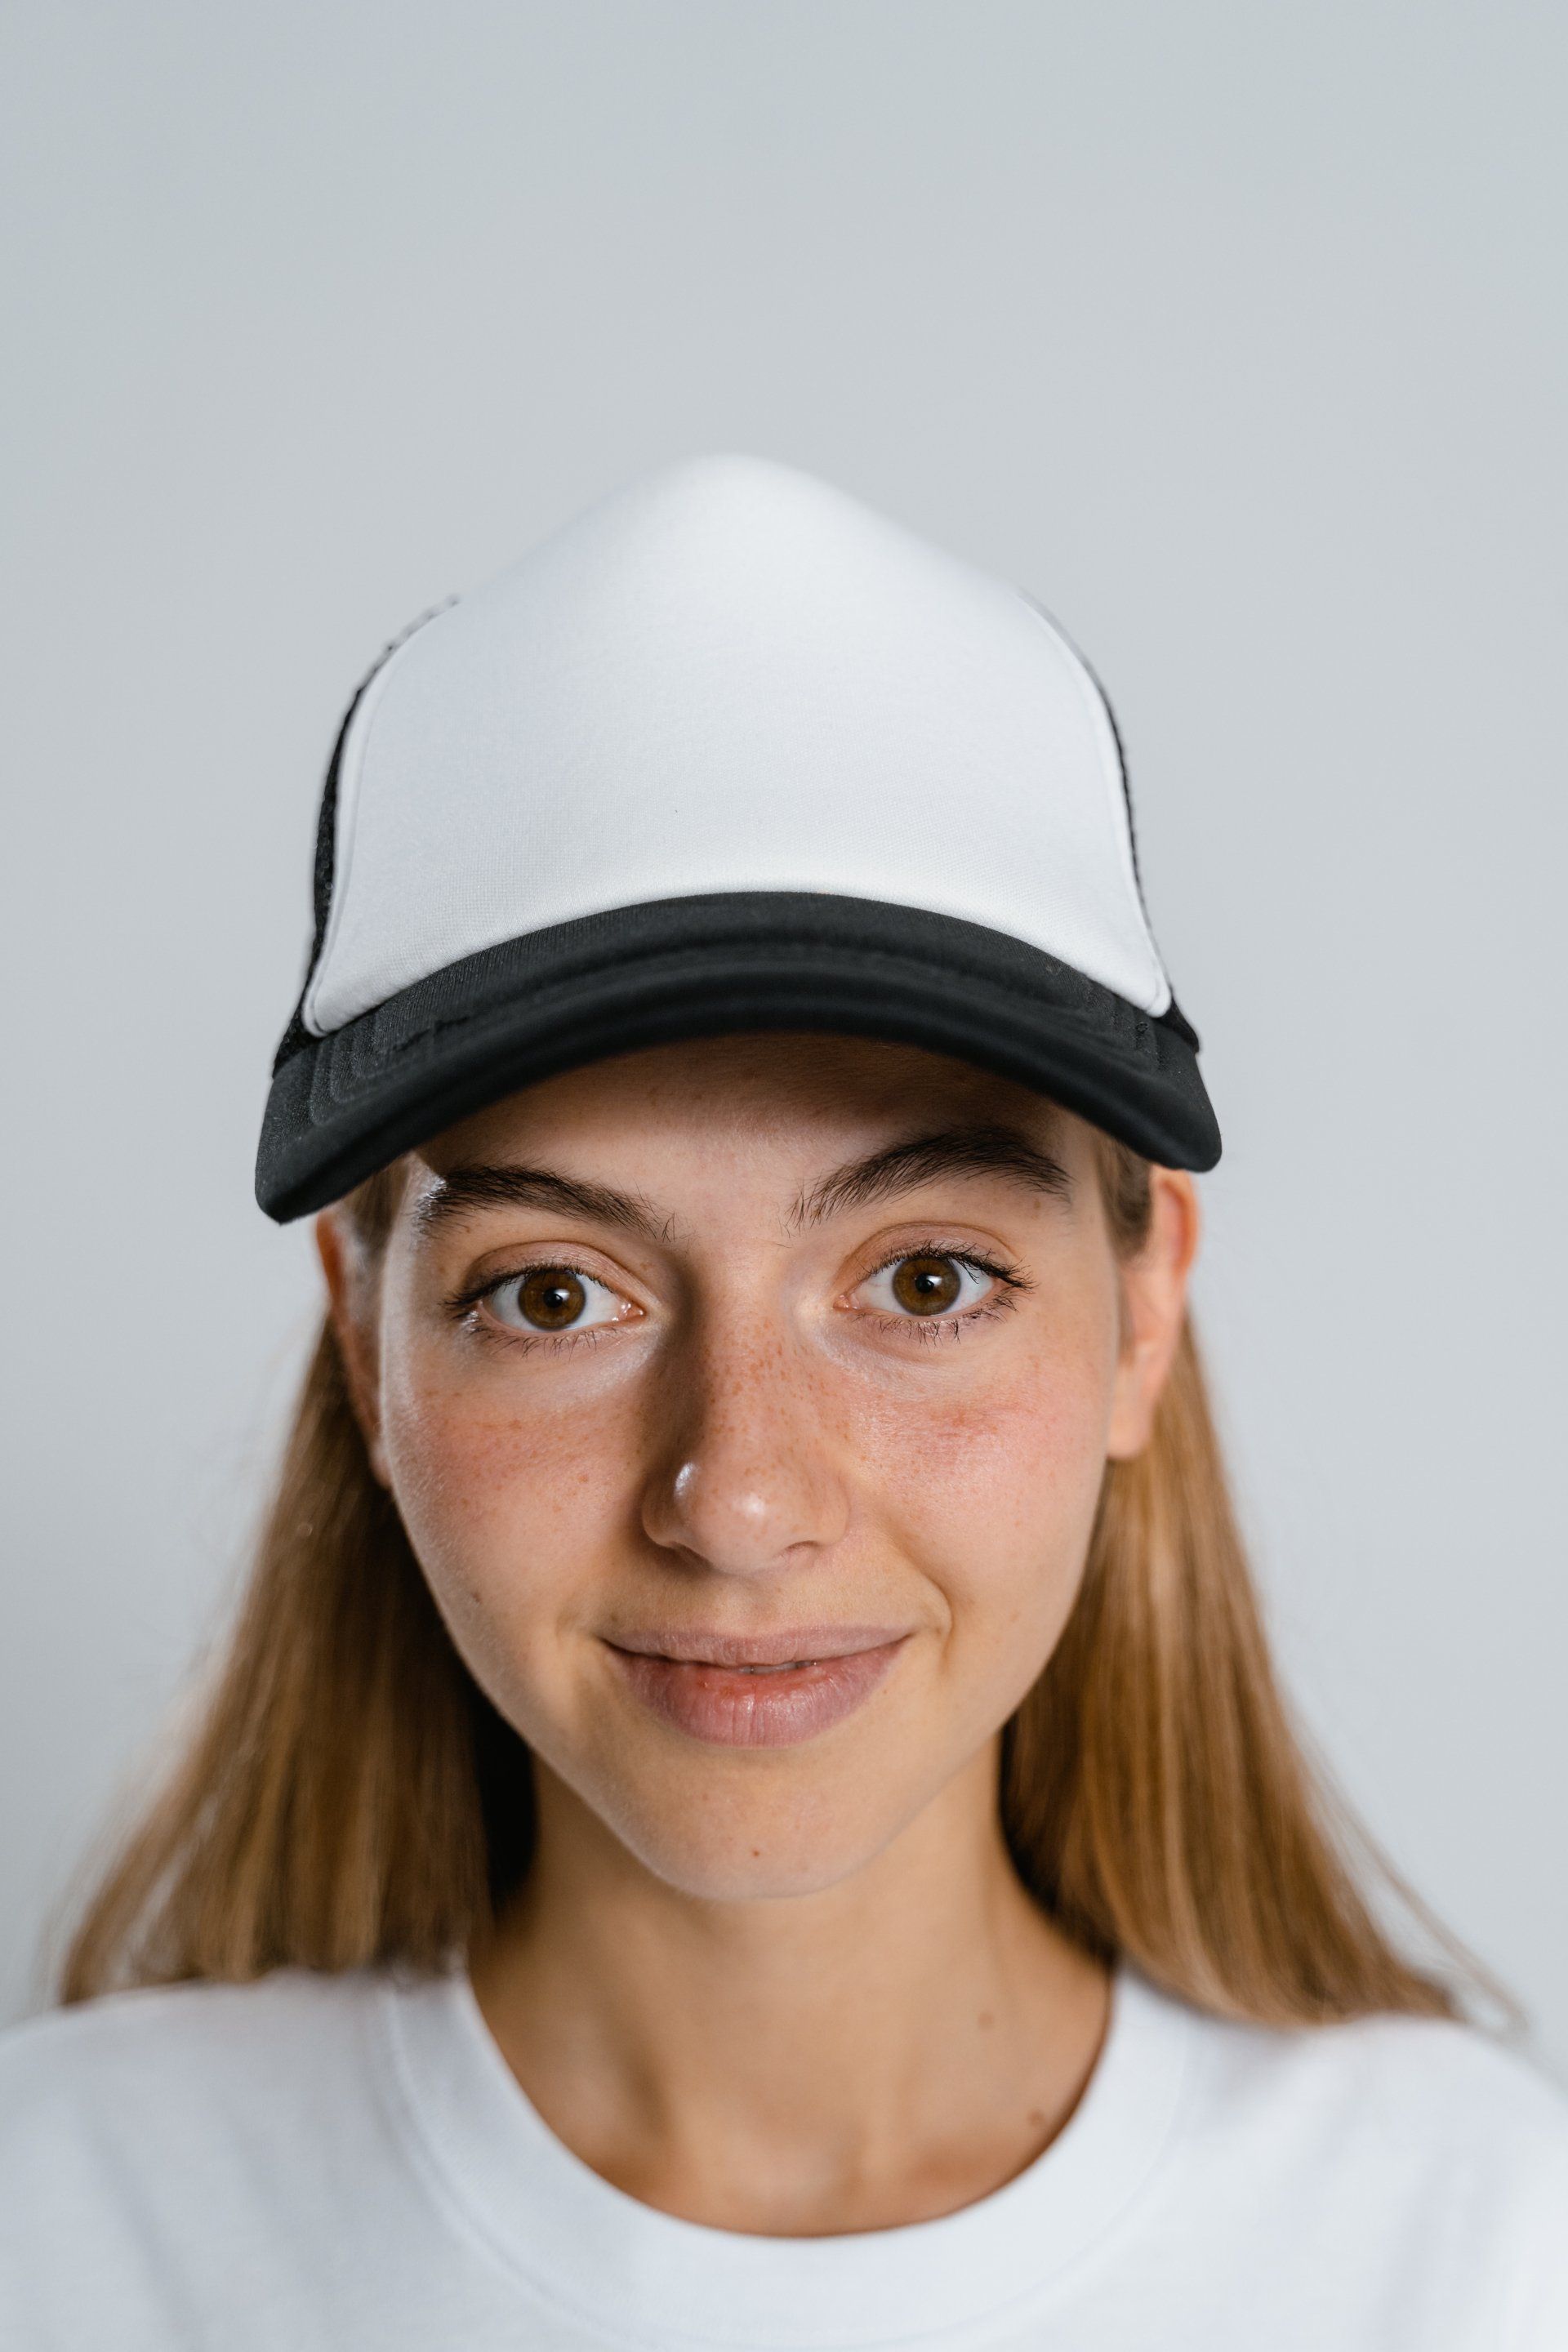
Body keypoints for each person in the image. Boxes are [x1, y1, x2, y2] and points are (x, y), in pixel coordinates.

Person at [2, 456, 1563, 2349]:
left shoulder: (1477, 2259)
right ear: (364, 1333)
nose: (739, 1499)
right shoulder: (65, 2236)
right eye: (555, 1294)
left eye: (924, 1281)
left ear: (1145, 1304)